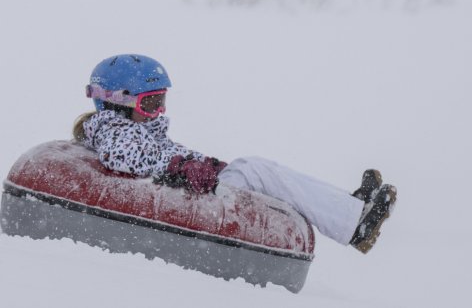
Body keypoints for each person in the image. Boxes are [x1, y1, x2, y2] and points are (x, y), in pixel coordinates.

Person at [76, 54, 397, 253]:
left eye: (161, 101)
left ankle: (352, 209)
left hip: (193, 189)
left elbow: (160, 151)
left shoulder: (136, 128)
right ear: (117, 101)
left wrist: (200, 163)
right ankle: (355, 221)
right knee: (255, 170)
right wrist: (180, 168)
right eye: (150, 104)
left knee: (256, 169)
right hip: (188, 198)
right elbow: (127, 157)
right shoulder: (114, 131)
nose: (159, 111)